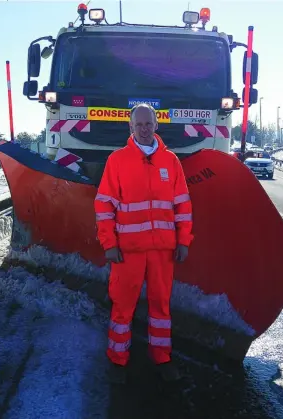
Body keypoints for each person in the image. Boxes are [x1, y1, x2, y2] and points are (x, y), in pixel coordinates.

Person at [94, 103, 194, 384]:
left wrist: (183, 240)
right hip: (127, 251)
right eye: (138, 125)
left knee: (161, 306)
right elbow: (104, 206)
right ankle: (118, 359)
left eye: (148, 123)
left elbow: (183, 205)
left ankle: (162, 358)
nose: (144, 129)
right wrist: (109, 244)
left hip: (163, 250)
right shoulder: (117, 161)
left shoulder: (171, 162)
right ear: (131, 128)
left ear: (156, 124)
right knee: (123, 305)